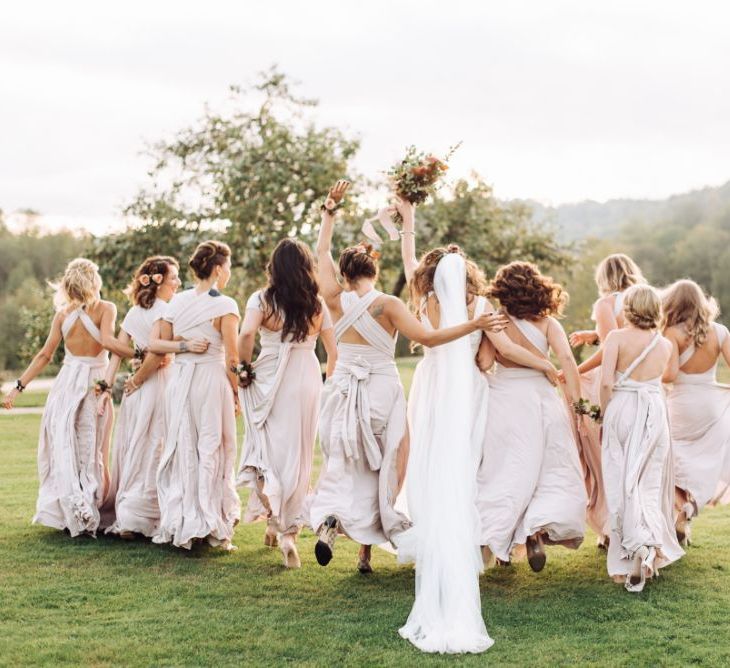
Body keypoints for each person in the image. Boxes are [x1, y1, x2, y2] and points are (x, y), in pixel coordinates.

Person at [309, 180, 507, 573]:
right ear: (373, 270)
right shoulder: (389, 305)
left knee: (343, 462)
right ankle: (369, 546)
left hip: (342, 389)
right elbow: (430, 337)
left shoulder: (332, 299)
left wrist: (328, 216)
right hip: (381, 389)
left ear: (344, 275)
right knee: (387, 464)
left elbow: (321, 253)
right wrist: (475, 325)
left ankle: (334, 517)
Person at [395, 202, 559, 653]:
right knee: (466, 465)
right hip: (467, 389)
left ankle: (450, 539)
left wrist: (408, 224)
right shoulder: (481, 307)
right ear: (467, 275)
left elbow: (416, 284)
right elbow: (503, 347)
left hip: (433, 389)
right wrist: (544, 364)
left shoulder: (426, 302)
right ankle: (468, 542)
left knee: (434, 463)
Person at [2, 258, 133, 535]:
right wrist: (141, 354)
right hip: (93, 383)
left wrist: (18, 387)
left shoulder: (62, 315)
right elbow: (109, 343)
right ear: (93, 281)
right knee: (95, 447)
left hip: (65, 385)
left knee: (66, 446)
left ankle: (74, 510)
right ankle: (90, 509)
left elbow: (44, 355)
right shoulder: (106, 308)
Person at [477, 261, 587, 572]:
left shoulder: (495, 322)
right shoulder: (549, 324)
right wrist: (577, 406)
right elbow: (566, 359)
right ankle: (535, 532)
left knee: (507, 470)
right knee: (547, 471)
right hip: (542, 400)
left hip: (506, 400)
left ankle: (501, 544)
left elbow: (485, 363)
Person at [237, 238, 337, 569]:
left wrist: (243, 367)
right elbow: (333, 351)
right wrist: (329, 384)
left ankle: (280, 525)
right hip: (307, 377)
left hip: (271, 379)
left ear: (274, 267)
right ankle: (285, 532)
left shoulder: (262, 299)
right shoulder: (316, 303)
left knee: (265, 453)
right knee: (298, 455)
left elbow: (246, 333)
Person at [151, 241, 241, 551]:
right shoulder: (225, 305)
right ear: (218, 269)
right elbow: (232, 357)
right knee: (211, 445)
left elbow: (157, 345)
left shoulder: (177, 302)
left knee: (187, 446)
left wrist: (183, 347)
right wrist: (237, 392)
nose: (228, 272)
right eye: (227, 267)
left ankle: (191, 520)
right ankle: (207, 523)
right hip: (209, 379)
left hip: (181, 380)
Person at [102, 256, 200, 539]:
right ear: (158, 282)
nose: (178, 282)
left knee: (137, 442)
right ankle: (144, 514)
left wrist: (124, 370)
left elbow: (119, 350)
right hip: (157, 384)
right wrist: (137, 374)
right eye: (174, 277)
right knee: (156, 442)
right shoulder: (165, 311)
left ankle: (131, 514)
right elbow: (157, 355)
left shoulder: (135, 312)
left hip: (137, 390)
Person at [600, 284, 683, 591]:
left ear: (629, 307)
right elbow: (657, 382)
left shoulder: (616, 338)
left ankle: (628, 557)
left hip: (623, 408)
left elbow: (607, 382)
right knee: (646, 485)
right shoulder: (664, 345)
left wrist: (603, 415)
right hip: (653, 413)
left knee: (621, 484)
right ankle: (646, 548)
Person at [569, 254, 646, 547]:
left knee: (602, 455)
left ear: (604, 277)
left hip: (613, 384)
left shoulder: (605, 304)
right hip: (644, 382)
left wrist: (575, 372)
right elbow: (631, 340)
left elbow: (612, 351)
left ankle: (611, 528)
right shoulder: (644, 299)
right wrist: (594, 335)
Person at [662, 279, 730, 544]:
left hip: (681, 404)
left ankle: (680, 512)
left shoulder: (672, 333)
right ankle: (687, 513)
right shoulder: (721, 331)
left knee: (676, 462)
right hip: (710, 405)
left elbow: (669, 375)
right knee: (703, 464)